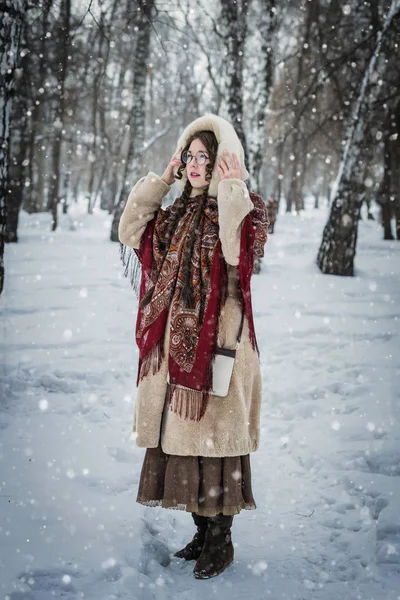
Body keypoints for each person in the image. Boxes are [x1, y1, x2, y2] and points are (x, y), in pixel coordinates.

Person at [118, 114, 268, 579]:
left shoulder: (244, 207)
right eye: (191, 157)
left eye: (207, 156)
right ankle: (202, 530)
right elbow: (130, 232)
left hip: (220, 340)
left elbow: (233, 251)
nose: (197, 164)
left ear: (224, 160)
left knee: (216, 442)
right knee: (183, 440)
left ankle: (221, 539)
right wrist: (160, 183)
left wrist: (231, 189)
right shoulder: (176, 214)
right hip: (177, 348)